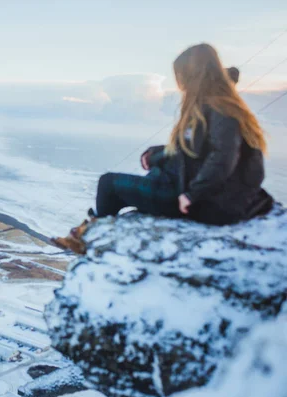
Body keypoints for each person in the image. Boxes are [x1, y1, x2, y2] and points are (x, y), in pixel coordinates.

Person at [52, 44, 274, 254]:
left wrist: (192, 194)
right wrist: (156, 154)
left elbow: (223, 157)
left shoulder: (219, 110)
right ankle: (95, 230)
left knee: (108, 184)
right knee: (151, 174)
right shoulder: (218, 105)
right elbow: (192, 150)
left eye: (182, 77)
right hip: (202, 194)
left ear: (194, 76)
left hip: (203, 203)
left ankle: (90, 238)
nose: (181, 85)